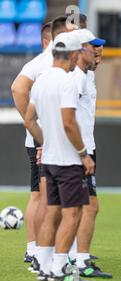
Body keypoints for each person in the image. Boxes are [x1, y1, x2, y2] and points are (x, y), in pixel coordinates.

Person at [11, 15, 82, 265]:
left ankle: (48, 252)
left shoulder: (55, 63)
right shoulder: (45, 62)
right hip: (48, 143)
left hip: (49, 141)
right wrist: (37, 130)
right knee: (44, 198)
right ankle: (38, 251)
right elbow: (18, 89)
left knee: (46, 198)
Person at [24, 31, 95, 281]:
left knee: (52, 212)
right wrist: (83, 154)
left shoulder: (41, 81)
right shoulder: (67, 81)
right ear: (74, 54)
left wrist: (44, 142)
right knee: (72, 214)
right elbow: (69, 123)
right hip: (67, 161)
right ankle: (59, 268)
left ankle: (44, 266)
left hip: (50, 160)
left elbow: (29, 120)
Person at [70, 29, 111, 278]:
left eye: (99, 46)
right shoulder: (76, 77)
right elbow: (67, 115)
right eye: (92, 46)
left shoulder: (86, 75)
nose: (98, 50)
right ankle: (79, 261)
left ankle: (73, 257)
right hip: (78, 150)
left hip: (85, 147)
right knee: (87, 206)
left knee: (81, 206)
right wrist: (81, 152)